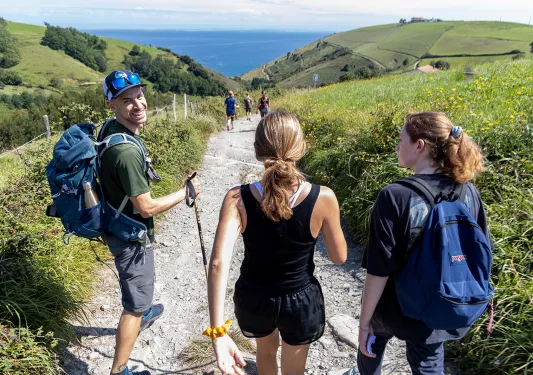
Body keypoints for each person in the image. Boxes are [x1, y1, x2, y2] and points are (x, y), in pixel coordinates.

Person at [206, 110, 348, 375]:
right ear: (301, 147)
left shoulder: (237, 198)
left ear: (258, 150)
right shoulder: (324, 197)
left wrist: (218, 332)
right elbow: (339, 257)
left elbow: (217, 264)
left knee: (265, 352)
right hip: (300, 301)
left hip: (255, 297)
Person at [357, 112, 492, 375]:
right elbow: (484, 250)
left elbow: (378, 271)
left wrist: (363, 325)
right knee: (428, 362)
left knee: (371, 340)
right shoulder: (468, 192)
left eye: (401, 139)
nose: (397, 146)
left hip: (394, 310)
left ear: (419, 146)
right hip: (441, 305)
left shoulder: (394, 196)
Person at [99, 70, 200, 375]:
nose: (138, 104)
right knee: (133, 305)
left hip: (116, 224)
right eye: (126, 100)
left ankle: (142, 309)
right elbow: (146, 208)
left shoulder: (112, 130)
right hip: (131, 236)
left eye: (139, 95)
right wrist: (185, 192)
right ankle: (120, 369)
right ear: (111, 105)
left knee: (137, 290)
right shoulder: (127, 151)